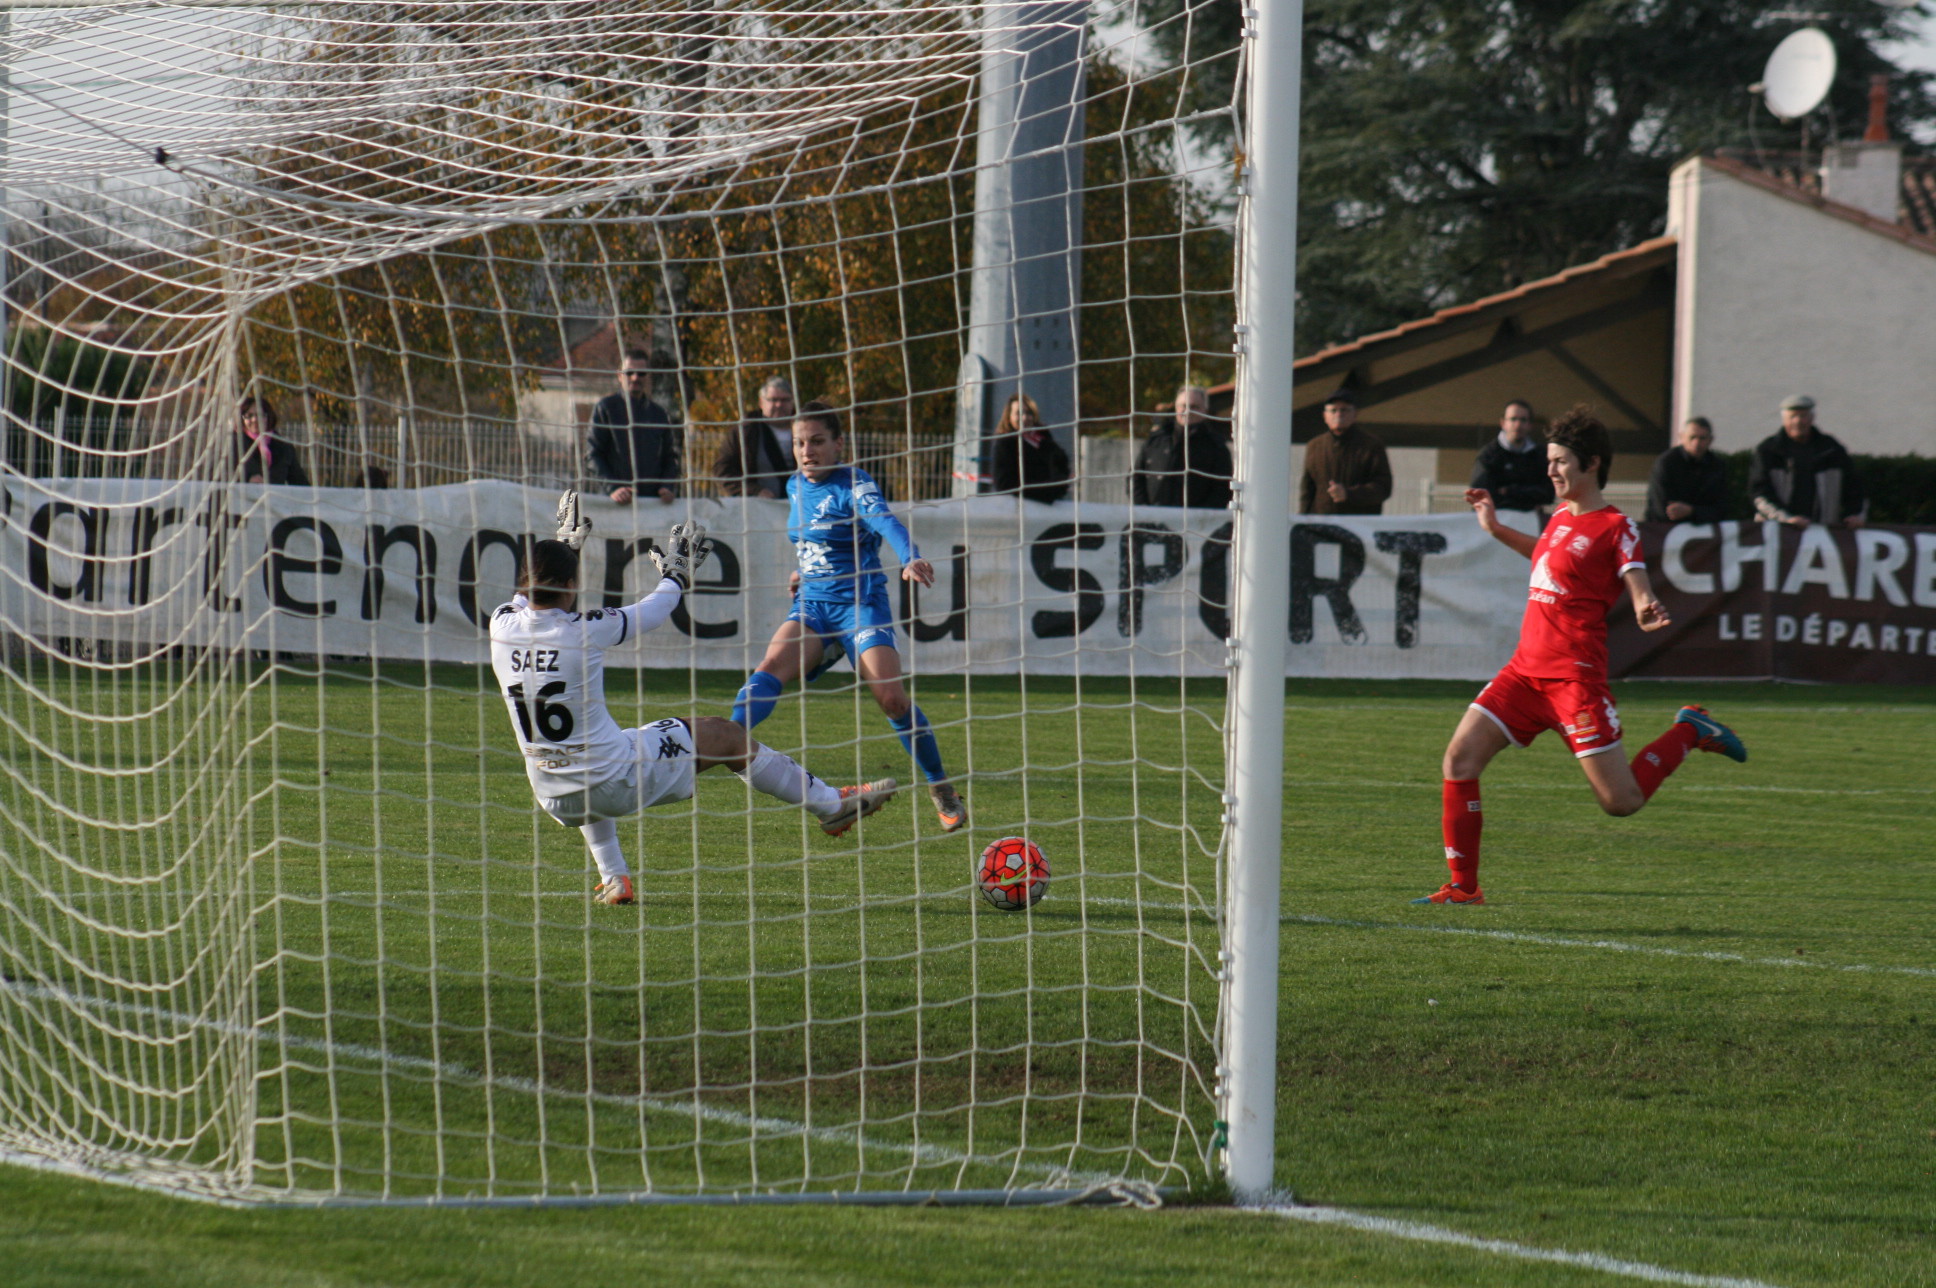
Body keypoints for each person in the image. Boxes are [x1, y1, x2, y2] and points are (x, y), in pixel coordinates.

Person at [490, 495, 896, 906]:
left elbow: (526, 597)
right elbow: (655, 609)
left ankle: (615, 878)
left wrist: (566, 546)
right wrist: (676, 575)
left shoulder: (500, 624)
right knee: (725, 735)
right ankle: (830, 805)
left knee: (597, 750)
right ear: (572, 585)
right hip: (614, 780)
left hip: (552, 792)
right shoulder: (586, 629)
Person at [1418, 406, 1747, 907]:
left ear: (1591, 463)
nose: (1550, 470)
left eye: (1560, 462)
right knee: (1459, 759)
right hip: (1524, 674)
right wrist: (1494, 528)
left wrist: (1643, 603)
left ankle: (1691, 730)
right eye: (1549, 461)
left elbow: (1633, 574)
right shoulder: (1559, 518)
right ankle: (1464, 886)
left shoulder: (1616, 525)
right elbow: (1547, 556)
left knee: (1621, 802)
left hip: (1575, 682)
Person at [728, 401, 967, 833]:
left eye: (817, 441)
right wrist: (805, 567)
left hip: (860, 604)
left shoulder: (854, 483)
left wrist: (909, 557)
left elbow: (884, 522)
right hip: (813, 605)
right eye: (800, 442)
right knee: (766, 671)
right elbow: (815, 538)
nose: (807, 450)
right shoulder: (794, 486)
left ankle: (940, 786)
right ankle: (720, 742)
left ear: (839, 443)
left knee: (891, 700)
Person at [1749, 395, 1867, 529]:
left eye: (1803, 416)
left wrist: (1853, 515)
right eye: (1792, 417)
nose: (1798, 421)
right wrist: (1787, 519)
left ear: (1812, 418)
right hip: (1778, 531)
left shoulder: (1832, 449)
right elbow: (1759, 494)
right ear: (1784, 420)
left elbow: (1854, 488)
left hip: (1822, 531)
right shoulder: (1768, 450)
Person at [586, 350, 682, 505]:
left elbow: (670, 458)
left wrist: (667, 486)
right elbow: (593, 455)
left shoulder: (659, 414)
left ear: (648, 376)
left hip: (652, 504)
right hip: (614, 503)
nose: (635, 377)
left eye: (641, 373)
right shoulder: (606, 408)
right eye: (629, 372)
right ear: (619, 375)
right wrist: (613, 488)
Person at [1131, 384, 1231, 509]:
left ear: (1205, 410)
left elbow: (1222, 489)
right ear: (1176, 408)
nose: (1187, 411)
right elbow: (1135, 478)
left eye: (1194, 407)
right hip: (1152, 521)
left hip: (1196, 523)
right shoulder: (1156, 440)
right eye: (1183, 406)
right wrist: (1144, 512)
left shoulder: (1215, 446)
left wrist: (1201, 519)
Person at [1299, 387, 1392, 515]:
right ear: (1325, 416)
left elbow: (1383, 488)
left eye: (1344, 410)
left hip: (1358, 526)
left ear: (1355, 415)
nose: (1338, 414)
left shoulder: (1372, 445)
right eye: (1333, 410)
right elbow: (1307, 491)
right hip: (1322, 526)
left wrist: (1349, 494)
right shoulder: (1315, 446)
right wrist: (1302, 521)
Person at [714, 375, 797, 499]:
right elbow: (722, 469)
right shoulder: (746, 430)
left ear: (793, 401)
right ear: (761, 402)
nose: (779, 405)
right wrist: (754, 491)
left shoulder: (808, 427)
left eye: (785, 400)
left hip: (803, 507)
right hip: (758, 509)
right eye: (773, 400)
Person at [1469, 400, 1554, 514]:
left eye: (1523, 420)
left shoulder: (1539, 455)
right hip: (1495, 520)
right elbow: (1481, 494)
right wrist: (1528, 494)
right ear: (1503, 423)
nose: (1518, 425)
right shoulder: (1489, 455)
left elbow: (1548, 494)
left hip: (1529, 523)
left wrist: (1509, 491)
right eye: (1513, 419)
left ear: (1530, 425)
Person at [988, 392, 1072, 504]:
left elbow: (1061, 471)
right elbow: (1003, 484)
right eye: (1019, 413)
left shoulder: (1045, 441)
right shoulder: (1005, 444)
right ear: (1009, 417)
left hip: (1050, 506)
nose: (1025, 418)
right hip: (1018, 506)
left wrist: (1053, 492)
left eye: (1029, 413)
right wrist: (1042, 494)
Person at [1644, 417, 1729, 523]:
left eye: (1702, 438)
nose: (1696, 443)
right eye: (1692, 437)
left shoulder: (1717, 465)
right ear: (1682, 437)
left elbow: (1722, 508)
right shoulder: (1666, 463)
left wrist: (1691, 511)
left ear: (1710, 440)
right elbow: (1660, 508)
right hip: (1664, 530)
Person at [234, 396, 310, 486]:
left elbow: (300, 483)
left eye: (260, 415)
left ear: (269, 416)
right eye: (249, 416)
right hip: (241, 498)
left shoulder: (284, 448)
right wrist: (246, 480)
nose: (254, 420)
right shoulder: (233, 443)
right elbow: (220, 475)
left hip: (274, 498)